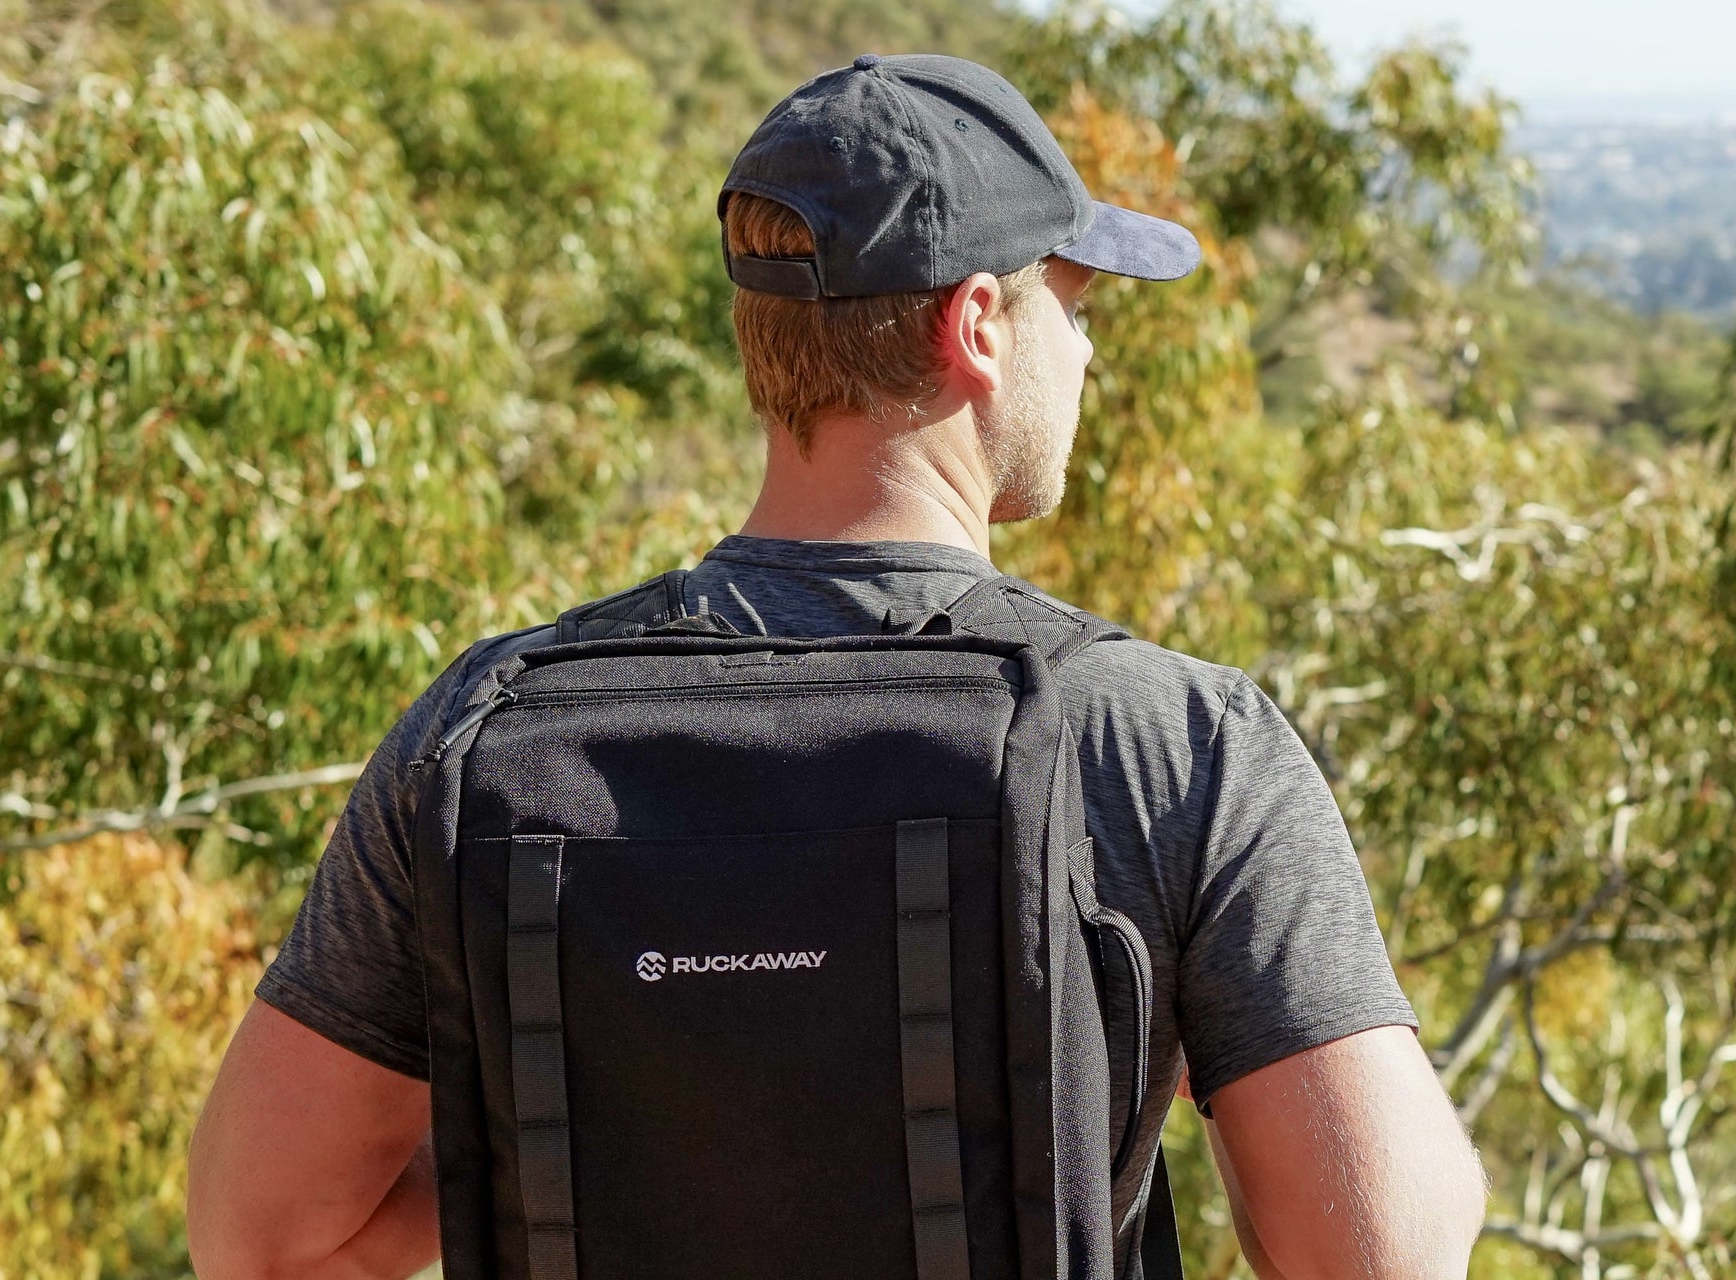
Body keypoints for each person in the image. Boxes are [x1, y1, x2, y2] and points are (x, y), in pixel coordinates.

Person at [185, 53, 1487, 1280]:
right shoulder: (1166, 741)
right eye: (1076, 307)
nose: (1087, 353)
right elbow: (1382, 1249)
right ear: (979, 326)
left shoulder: (477, 737)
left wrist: (588, 1115)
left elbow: (273, 1239)